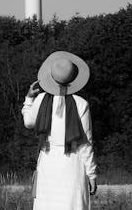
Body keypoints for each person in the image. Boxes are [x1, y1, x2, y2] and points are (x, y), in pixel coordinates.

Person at [22, 51, 97, 210]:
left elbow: (28, 122)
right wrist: (91, 174)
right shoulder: (81, 104)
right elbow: (85, 143)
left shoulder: (41, 99)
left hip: (48, 163)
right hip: (72, 162)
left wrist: (29, 98)